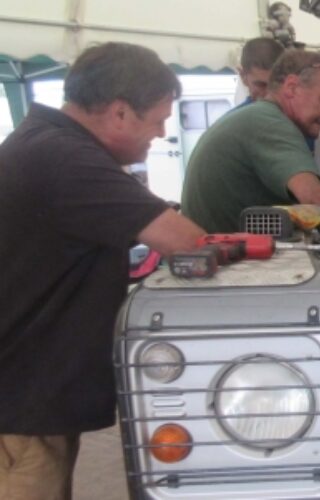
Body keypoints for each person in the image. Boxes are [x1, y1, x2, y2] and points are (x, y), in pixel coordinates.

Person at [0, 42, 205, 499]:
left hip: (26, 395)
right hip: (17, 409)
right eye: (157, 120)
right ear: (118, 113)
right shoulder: (66, 159)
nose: (160, 133)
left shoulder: (45, 142)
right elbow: (186, 241)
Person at [181, 50, 320, 233]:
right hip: (227, 254)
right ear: (291, 87)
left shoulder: (259, 116)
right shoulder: (269, 122)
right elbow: (316, 201)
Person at [236, 37, 285, 107]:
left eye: (276, 85)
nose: (269, 95)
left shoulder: (299, 115)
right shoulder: (238, 117)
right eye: (261, 85)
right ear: (243, 76)